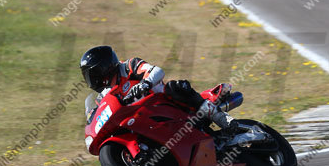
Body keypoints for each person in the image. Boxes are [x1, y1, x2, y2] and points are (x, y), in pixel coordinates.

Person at [80, 45, 238, 132]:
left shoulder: (128, 66)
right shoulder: (104, 96)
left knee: (174, 87)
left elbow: (157, 71)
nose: (93, 80)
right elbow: (96, 115)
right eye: (89, 76)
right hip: (145, 120)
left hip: (167, 104)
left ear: (103, 68)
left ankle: (224, 120)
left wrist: (146, 83)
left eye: (93, 74)